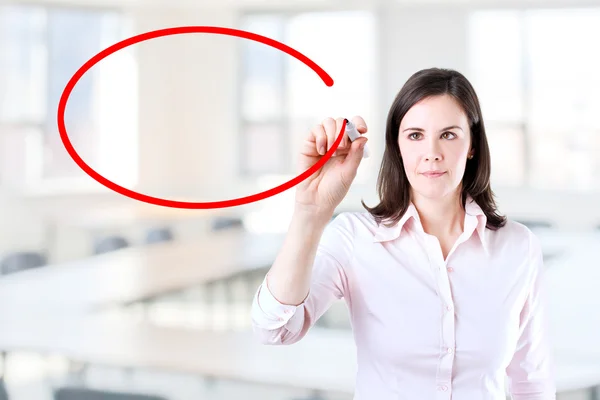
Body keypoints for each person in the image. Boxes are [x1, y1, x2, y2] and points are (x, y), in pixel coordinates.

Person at [250, 67, 556, 399]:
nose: (432, 152)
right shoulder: (355, 239)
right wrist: (310, 213)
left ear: (472, 145)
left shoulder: (518, 247)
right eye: (415, 135)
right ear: (397, 146)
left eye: (449, 134)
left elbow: (531, 382)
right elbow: (275, 329)